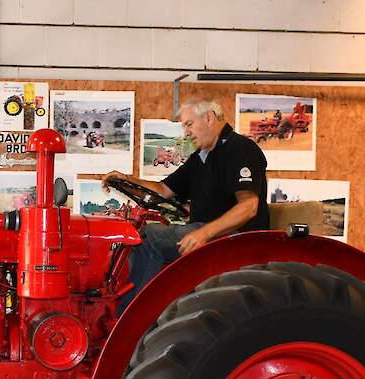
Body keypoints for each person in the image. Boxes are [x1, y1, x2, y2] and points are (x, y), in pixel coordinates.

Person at [103, 99, 270, 312]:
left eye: (189, 124)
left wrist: (204, 233)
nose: (186, 133)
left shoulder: (240, 149)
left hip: (236, 238)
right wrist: (126, 179)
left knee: (148, 237)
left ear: (208, 118)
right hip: (207, 230)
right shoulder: (201, 157)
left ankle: (130, 315)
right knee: (138, 232)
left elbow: (249, 206)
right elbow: (164, 190)